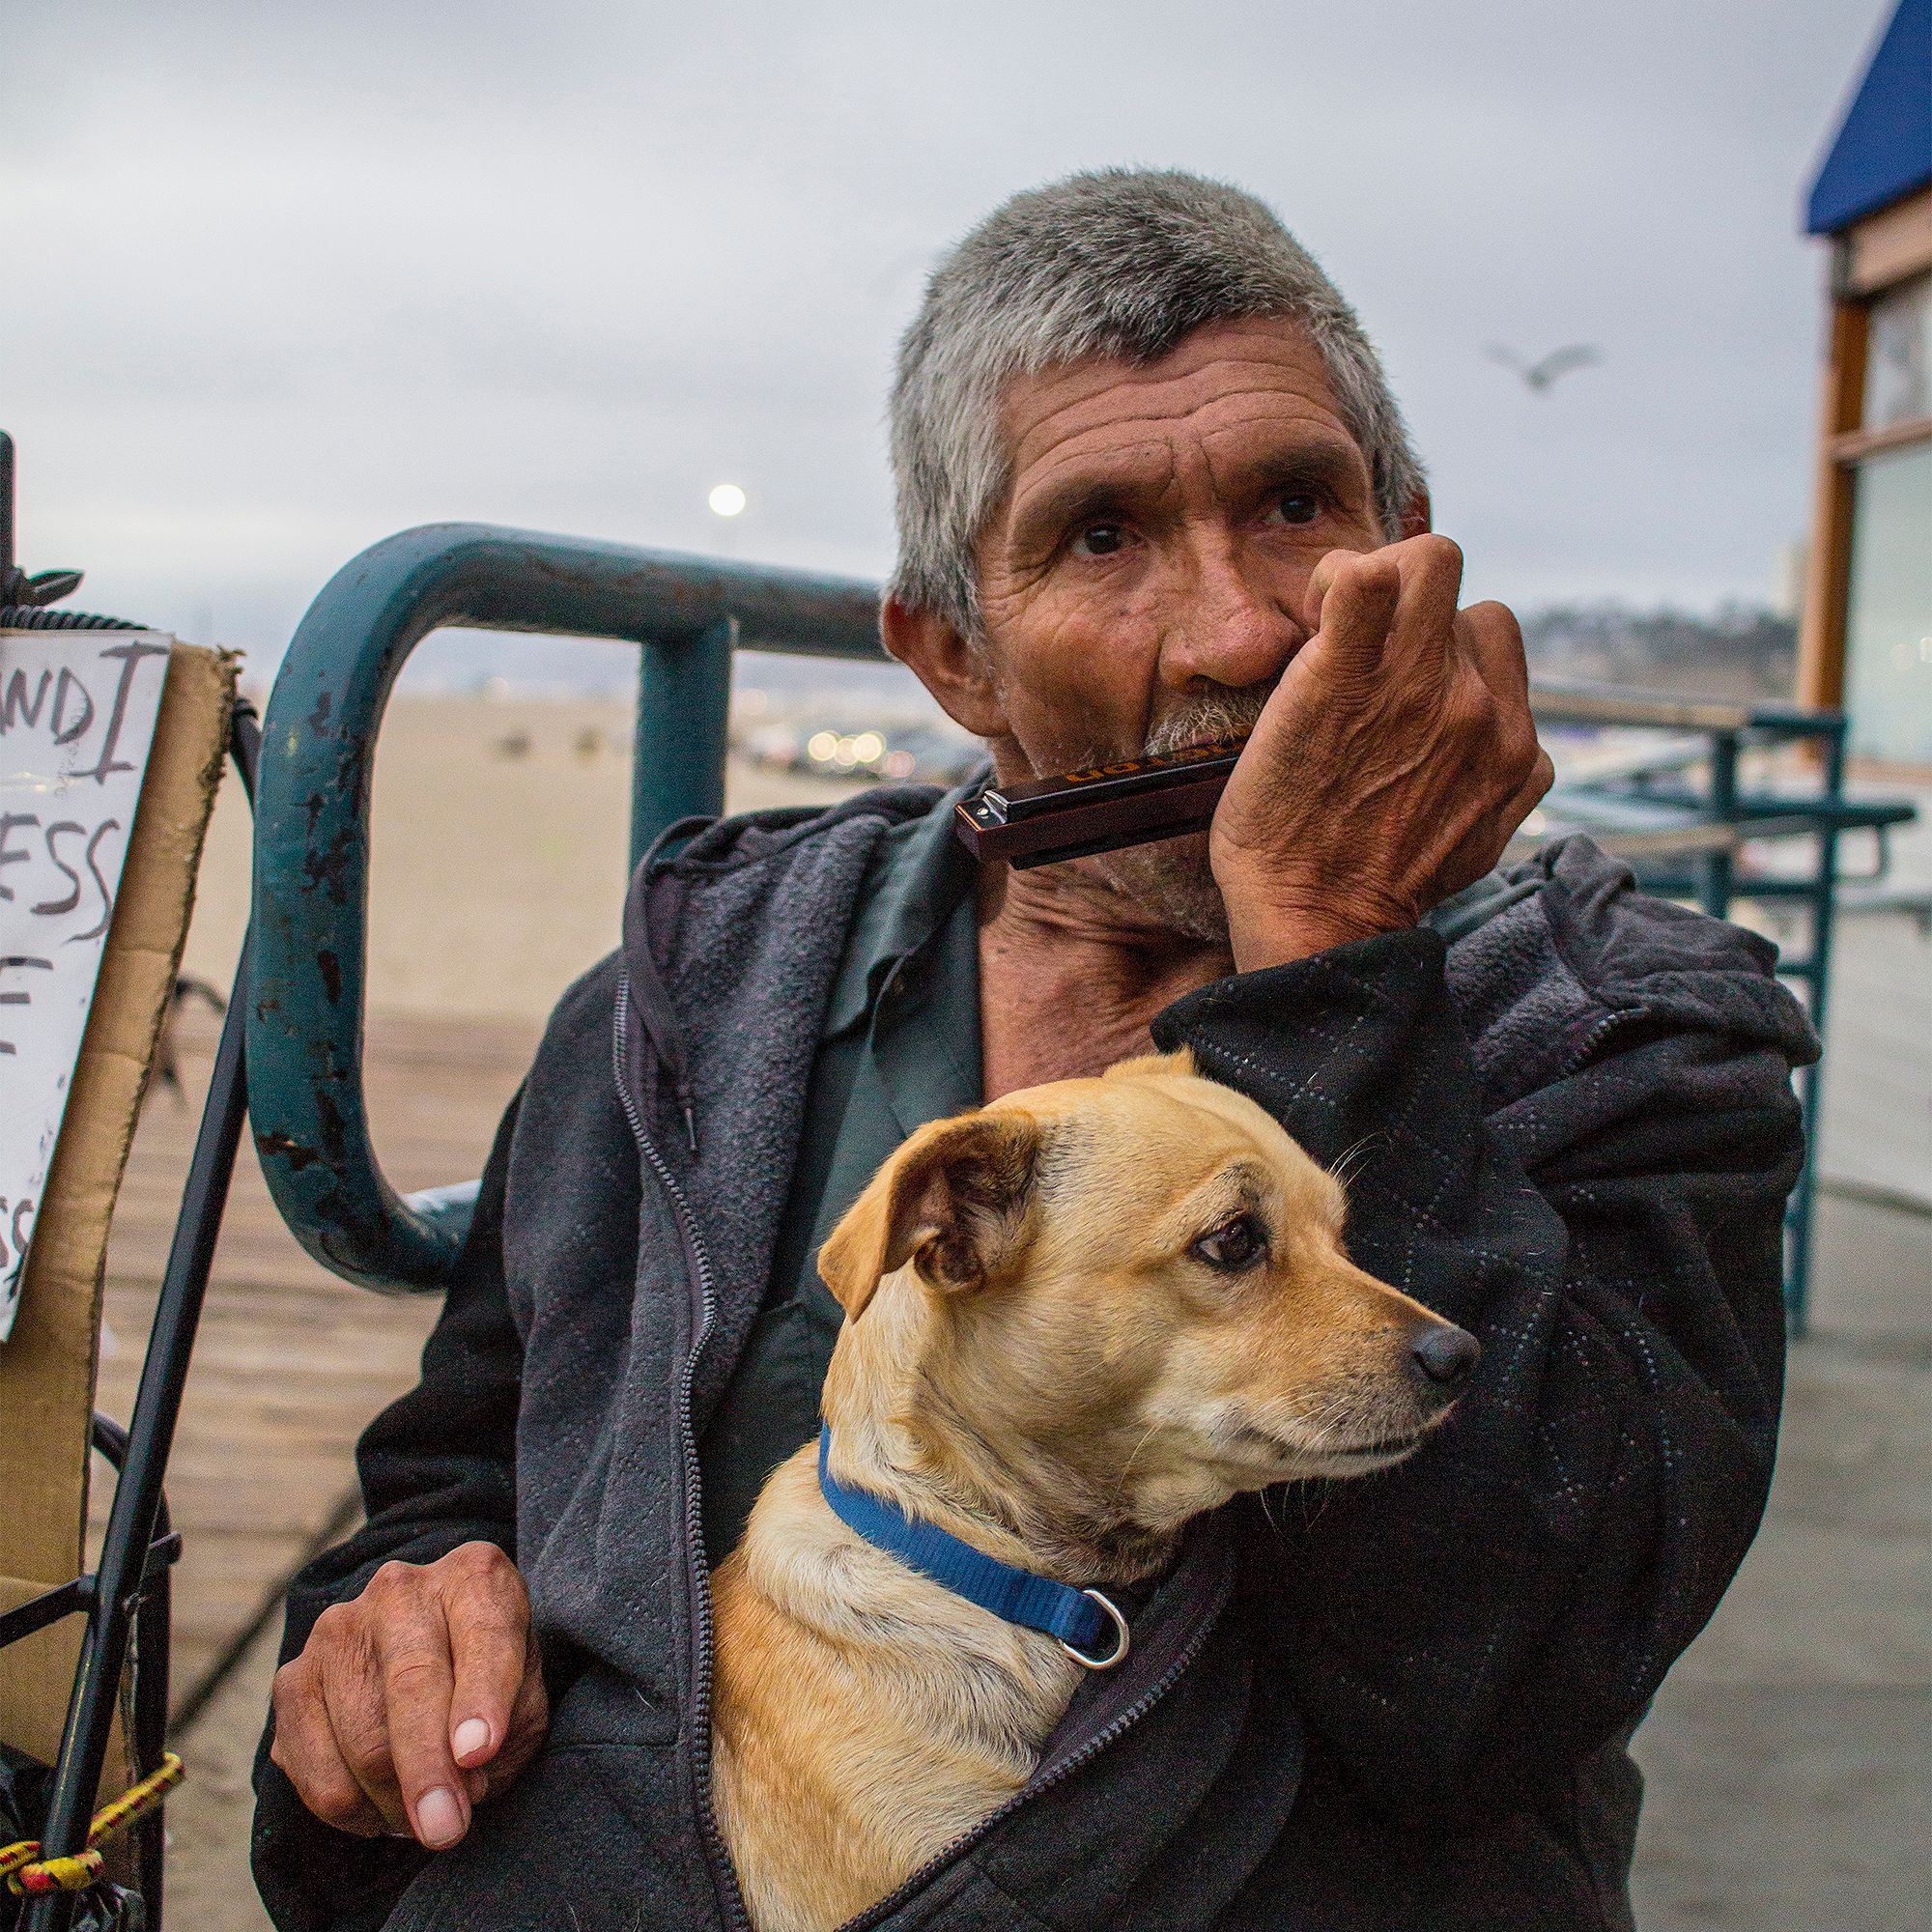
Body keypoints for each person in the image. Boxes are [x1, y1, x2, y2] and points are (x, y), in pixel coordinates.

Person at [252, 170, 1814, 1932]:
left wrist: (1327, 954)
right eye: (1100, 537)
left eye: (1299, 504)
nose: (1237, 631)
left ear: (1410, 553)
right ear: (949, 656)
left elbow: (1496, 1693)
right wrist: (393, 1613)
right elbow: (460, 1473)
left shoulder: (1630, 1040)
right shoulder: (702, 998)